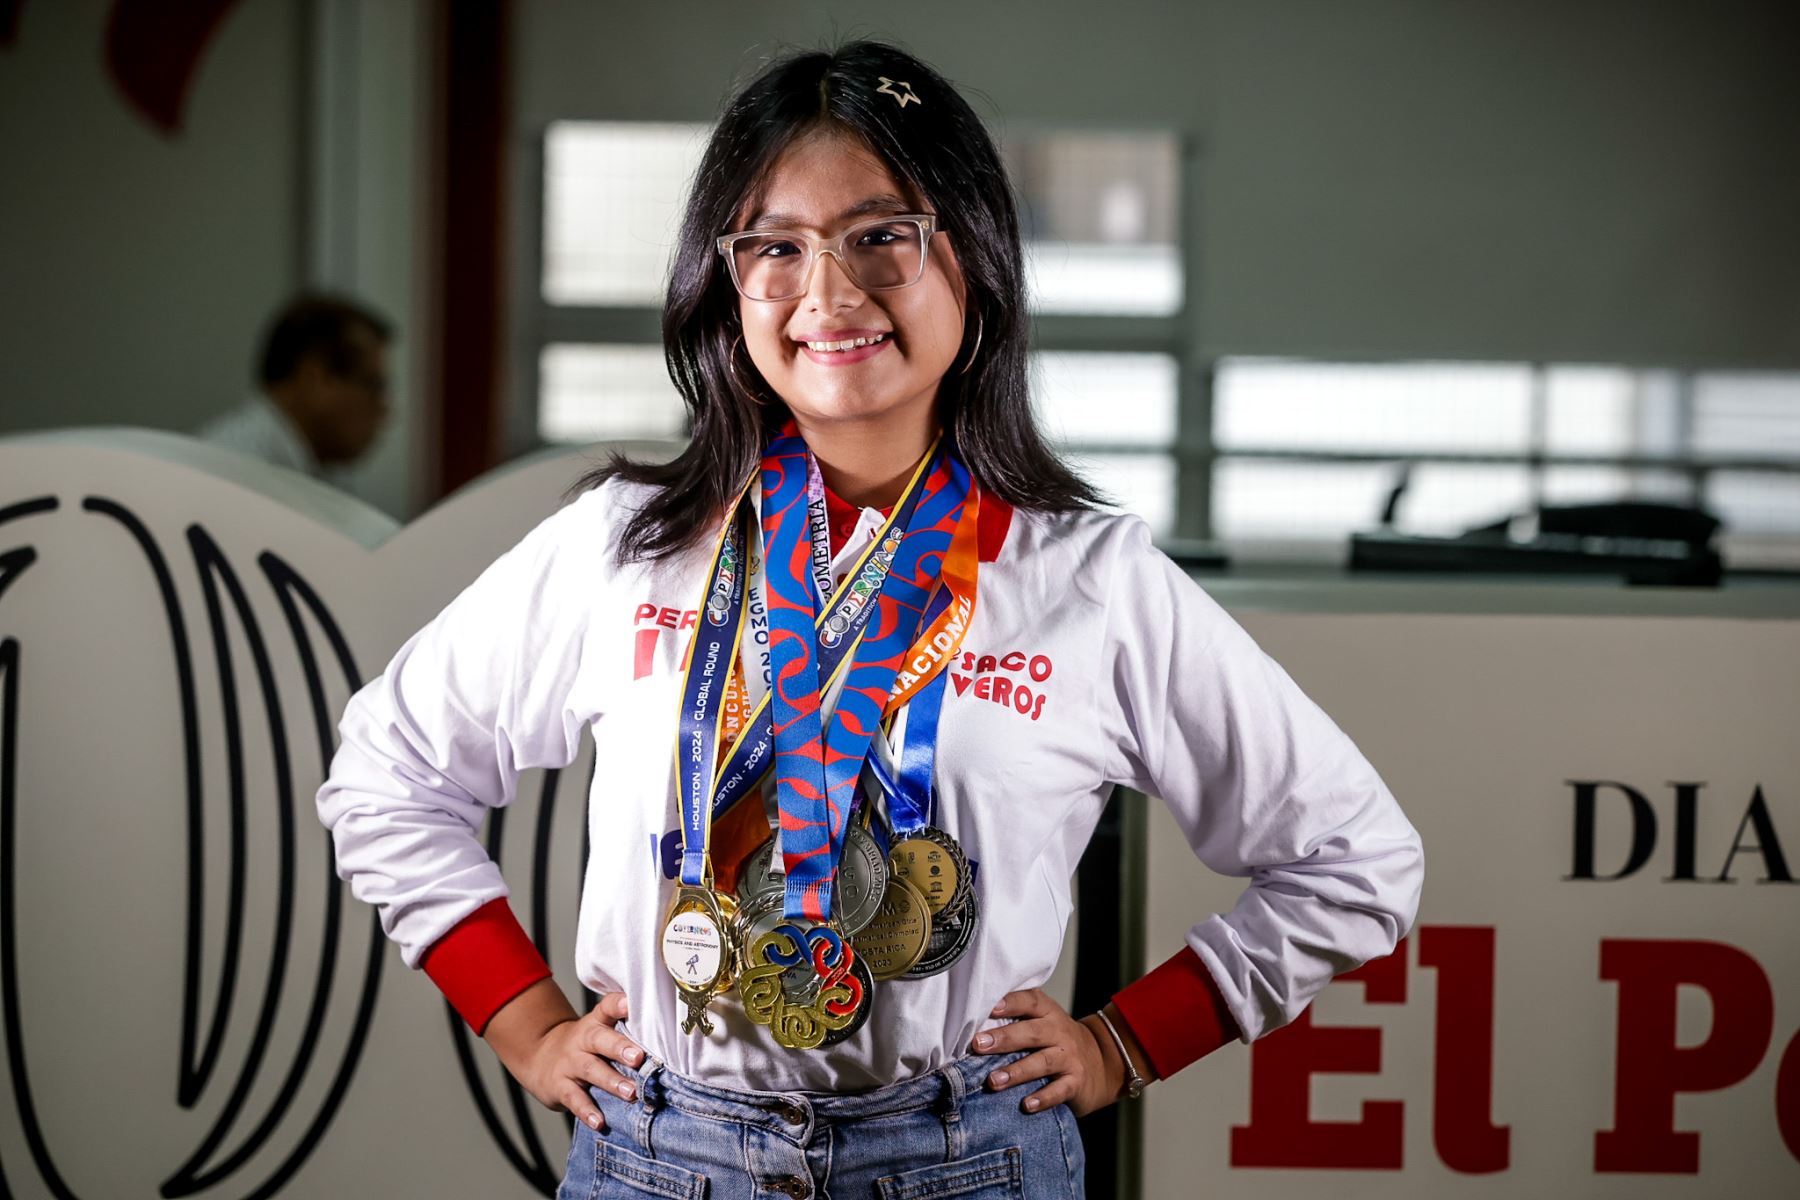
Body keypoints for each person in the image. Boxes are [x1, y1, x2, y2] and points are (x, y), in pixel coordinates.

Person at [315, 40, 1423, 1199]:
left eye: (881, 236)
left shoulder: (1088, 577)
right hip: (659, 1158)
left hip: (970, 1162)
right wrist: (523, 1023)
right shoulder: (625, 543)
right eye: (775, 248)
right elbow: (386, 773)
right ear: (723, 277)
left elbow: (1355, 860)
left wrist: (1124, 1043)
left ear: (974, 260)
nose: (829, 296)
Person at [194, 292, 392, 478]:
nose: (386, 409)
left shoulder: (273, 465)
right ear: (315, 377)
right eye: (373, 386)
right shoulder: (236, 469)